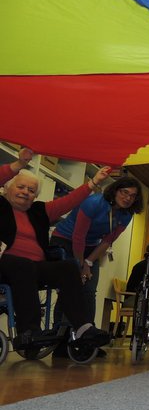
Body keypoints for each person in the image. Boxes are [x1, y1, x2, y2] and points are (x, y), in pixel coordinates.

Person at [0, 147, 112, 350]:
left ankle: (83, 328)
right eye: (21, 187)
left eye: (31, 190)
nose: (26, 192)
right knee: (23, 265)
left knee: (68, 267)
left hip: (36, 266)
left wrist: (93, 183)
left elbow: (69, 201)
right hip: (6, 264)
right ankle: (29, 331)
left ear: (35, 196)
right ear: (7, 188)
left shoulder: (39, 211)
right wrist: (19, 165)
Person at [50, 175, 145, 337]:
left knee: (89, 290)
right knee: (69, 288)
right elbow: (78, 237)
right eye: (124, 192)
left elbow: (107, 241)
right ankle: (61, 336)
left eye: (132, 195)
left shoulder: (126, 215)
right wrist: (81, 265)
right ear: (115, 191)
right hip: (65, 241)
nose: (128, 198)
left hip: (91, 248)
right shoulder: (93, 203)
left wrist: (88, 262)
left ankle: (89, 335)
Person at [119, 242, 149, 348]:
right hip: (134, 298)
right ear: (148, 253)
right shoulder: (141, 266)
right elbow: (135, 286)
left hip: (148, 298)